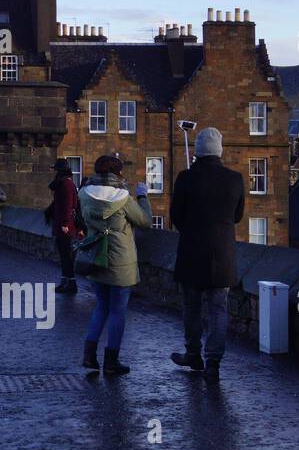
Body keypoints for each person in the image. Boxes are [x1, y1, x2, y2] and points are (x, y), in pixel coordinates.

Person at [170, 127, 245, 383]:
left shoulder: (185, 178)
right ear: (220, 150)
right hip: (223, 256)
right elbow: (237, 216)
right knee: (218, 310)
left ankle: (193, 355)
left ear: (199, 151)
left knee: (191, 307)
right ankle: (213, 362)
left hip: (192, 253)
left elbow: (176, 217)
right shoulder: (235, 179)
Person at [78, 154, 152, 375]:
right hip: (121, 261)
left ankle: (89, 357)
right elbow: (145, 221)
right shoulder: (123, 197)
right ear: (116, 173)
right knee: (118, 311)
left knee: (101, 307)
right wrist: (142, 196)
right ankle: (111, 361)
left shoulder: (84, 194)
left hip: (96, 257)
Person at [49, 158, 82, 294]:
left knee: (67, 256)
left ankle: (71, 284)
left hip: (66, 226)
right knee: (63, 256)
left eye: (56, 170)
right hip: (63, 224)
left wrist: (64, 224)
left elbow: (68, 206)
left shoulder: (66, 184)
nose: (54, 172)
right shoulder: (64, 183)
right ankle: (65, 282)